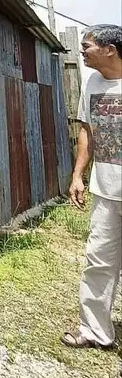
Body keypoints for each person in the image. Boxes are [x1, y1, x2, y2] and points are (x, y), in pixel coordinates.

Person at [62, 23, 122, 350]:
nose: (82, 51)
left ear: (109, 49)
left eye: (87, 46)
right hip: (106, 191)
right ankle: (95, 331)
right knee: (99, 261)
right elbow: (87, 130)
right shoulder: (93, 83)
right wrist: (78, 175)